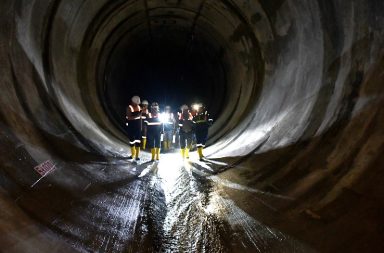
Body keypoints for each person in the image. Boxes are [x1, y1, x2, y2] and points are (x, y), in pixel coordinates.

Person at [126, 95, 142, 160]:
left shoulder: (139, 108)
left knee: (138, 141)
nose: (137, 104)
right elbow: (129, 117)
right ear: (133, 102)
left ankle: (137, 156)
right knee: (132, 141)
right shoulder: (129, 108)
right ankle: (133, 155)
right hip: (131, 126)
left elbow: (140, 118)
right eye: (136, 103)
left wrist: (141, 127)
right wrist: (137, 115)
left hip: (138, 127)